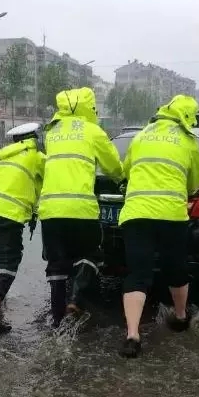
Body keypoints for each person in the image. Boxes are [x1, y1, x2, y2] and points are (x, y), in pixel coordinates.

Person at [117, 95, 199, 358]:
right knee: (175, 268)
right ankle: (180, 316)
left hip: (136, 214)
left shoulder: (141, 136)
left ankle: (132, 335)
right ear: (188, 117)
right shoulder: (189, 141)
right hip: (171, 215)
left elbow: (126, 170)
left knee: (137, 273)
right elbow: (195, 180)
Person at [38, 87, 124, 327]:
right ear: (88, 107)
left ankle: (57, 320)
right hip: (81, 209)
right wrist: (121, 177)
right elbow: (113, 167)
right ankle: (75, 300)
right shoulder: (92, 131)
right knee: (91, 254)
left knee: (56, 263)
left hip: (51, 210)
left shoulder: (52, 132)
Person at [0, 122, 46, 337]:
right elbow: (47, 182)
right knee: (7, 260)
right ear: (34, 138)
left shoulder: (1, 156)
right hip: (9, 213)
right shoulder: (36, 158)